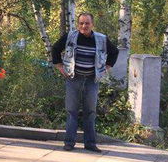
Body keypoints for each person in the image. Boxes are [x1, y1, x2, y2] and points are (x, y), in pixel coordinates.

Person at [51, 12, 119, 153]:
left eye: (87, 23)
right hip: (73, 79)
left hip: (91, 81)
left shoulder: (101, 39)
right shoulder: (70, 37)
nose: (84, 26)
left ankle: (90, 143)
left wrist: (106, 67)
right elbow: (55, 49)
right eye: (81, 23)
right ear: (78, 24)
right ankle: (69, 143)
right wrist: (59, 66)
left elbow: (115, 52)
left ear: (92, 25)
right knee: (71, 111)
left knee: (90, 112)